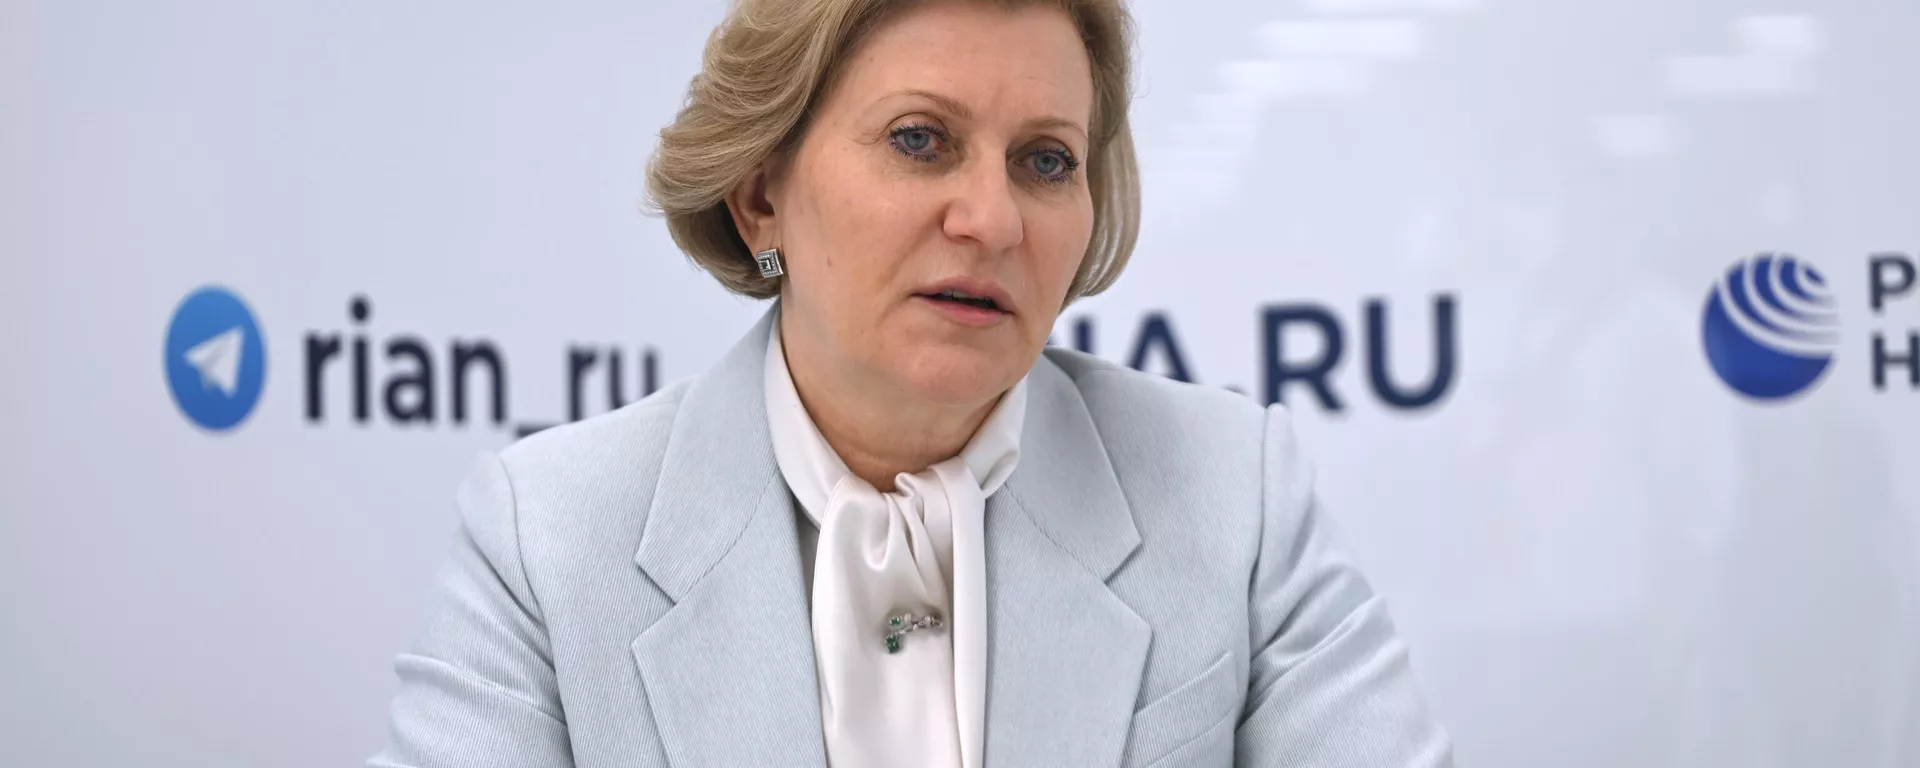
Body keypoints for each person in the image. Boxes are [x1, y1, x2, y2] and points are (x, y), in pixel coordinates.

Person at [369, 0, 1453, 765]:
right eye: (920, 140)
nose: (992, 220)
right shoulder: (552, 538)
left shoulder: (1231, 493)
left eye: (1045, 160)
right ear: (760, 197)